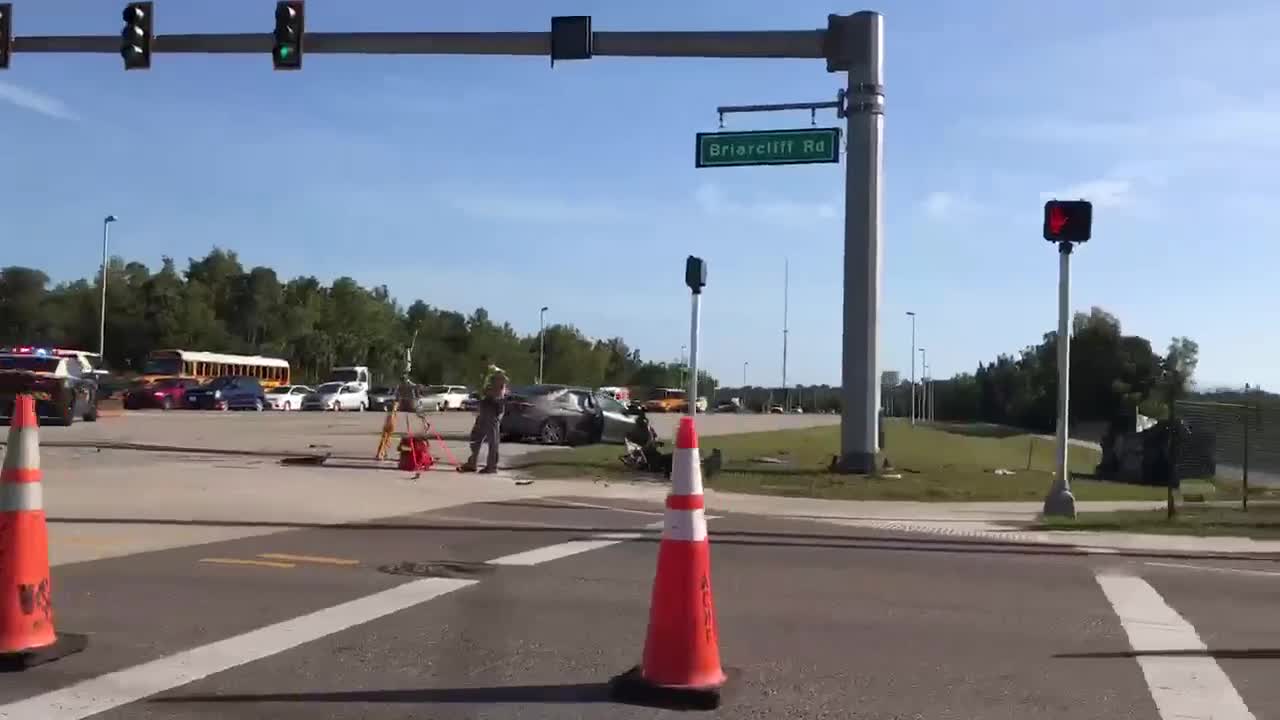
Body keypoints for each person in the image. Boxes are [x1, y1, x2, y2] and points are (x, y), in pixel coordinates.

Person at [458, 354, 508, 474]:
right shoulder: (485, 374)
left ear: (489, 362)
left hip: (493, 407)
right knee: (476, 435)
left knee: (493, 438)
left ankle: (491, 466)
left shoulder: (498, 374)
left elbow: (499, 392)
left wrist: (487, 393)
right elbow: (483, 388)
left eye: (484, 363)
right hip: (485, 405)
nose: (482, 366)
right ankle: (472, 462)